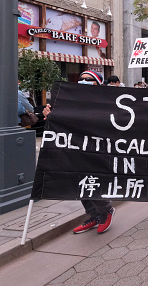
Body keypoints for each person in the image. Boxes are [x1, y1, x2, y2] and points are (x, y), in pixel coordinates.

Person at [42, 71, 115, 235]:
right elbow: (58, 123)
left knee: (92, 182)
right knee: (78, 183)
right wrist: (50, 115)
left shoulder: (106, 101)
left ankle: (106, 211)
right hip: (74, 149)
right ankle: (94, 215)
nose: (83, 82)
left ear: (98, 83)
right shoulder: (69, 101)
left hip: (97, 150)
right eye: (81, 79)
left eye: (88, 80)